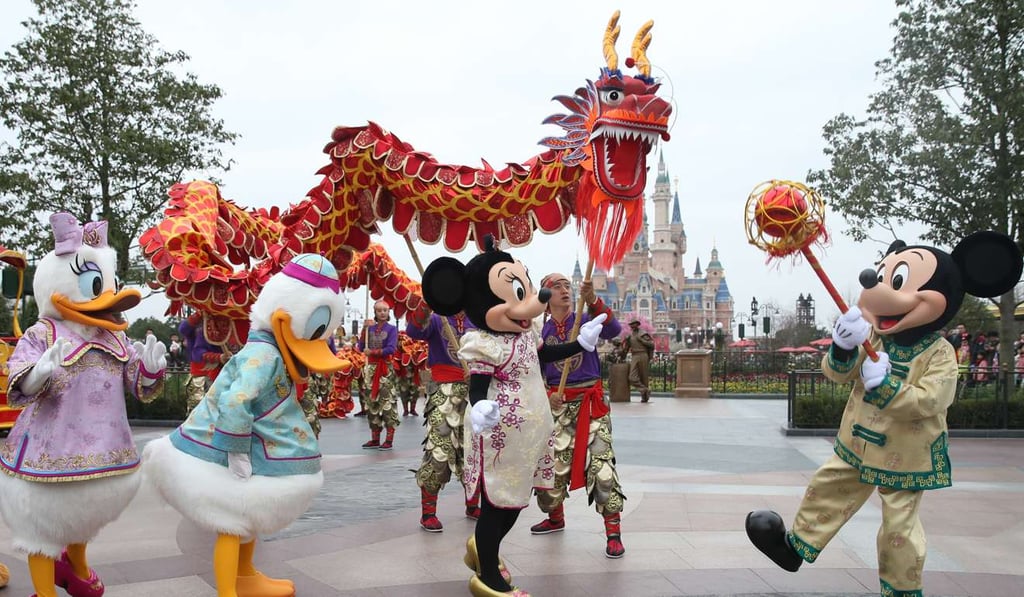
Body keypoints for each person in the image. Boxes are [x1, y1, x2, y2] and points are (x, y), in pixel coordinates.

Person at [531, 273, 626, 558]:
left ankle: (613, 533)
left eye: (567, 286)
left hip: (590, 403)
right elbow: (533, 372)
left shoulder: (585, 320)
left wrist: (594, 300)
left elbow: (614, 331)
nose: (565, 290)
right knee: (551, 467)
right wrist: (550, 395)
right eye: (556, 286)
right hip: (557, 406)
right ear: (546, 298)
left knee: (602, 468)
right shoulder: (539, 332)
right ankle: (555, 518)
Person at [406, 302, 479, 532]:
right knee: (439, 449)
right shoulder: (438, 319)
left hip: (475, 392)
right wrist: (425, 308)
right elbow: (414, 331)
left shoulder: (478, 320)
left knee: (475, 449)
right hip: (444, 393)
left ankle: (473, 503)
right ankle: (428, 512)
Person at [358, 300, 399, 449]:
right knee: (371, 404)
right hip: (370, 369)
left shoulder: (392, 329)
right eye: (379, 310)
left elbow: (391, 349)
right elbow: (361, 347)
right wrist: (364, 329)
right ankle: (375, 437)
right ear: (375, 313)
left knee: (387, 404)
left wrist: (374, 352)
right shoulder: (369, 329)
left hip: (385, 370)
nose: (382, 313)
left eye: (385, 310)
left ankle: (389, 438)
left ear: (388, 312)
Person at [178, 312, 228, 413]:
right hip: (202, 375)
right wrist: (200, 313)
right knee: (200, 413)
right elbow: (183, 329)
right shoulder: (200, 324)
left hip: (225, 374)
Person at [620, 318, 654, 402]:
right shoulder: (630, 336)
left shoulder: (643, 334)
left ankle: (644, 397)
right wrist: (622, 355)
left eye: (633, 324)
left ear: (637, 324)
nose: (632, 326)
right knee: (632, 377)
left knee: (644, 377)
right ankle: (644, 390)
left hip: (643, 355)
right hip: (635, 356)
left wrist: (641, 340)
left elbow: (651, 345)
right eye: (631, 324)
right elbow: (626, 349)